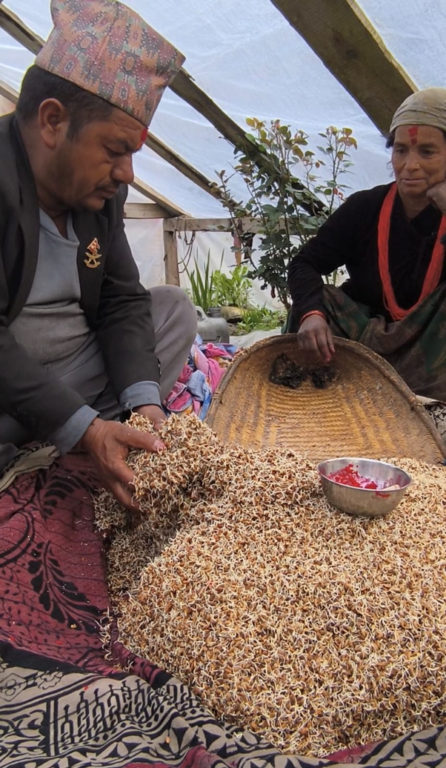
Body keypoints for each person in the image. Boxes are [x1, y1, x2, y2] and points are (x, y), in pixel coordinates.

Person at [0, 0, 197, 507]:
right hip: (7, 379)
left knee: (172, 308)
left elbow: (122, 298)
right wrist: (85, 428)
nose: (127, 173)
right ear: (52, 121)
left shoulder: (102, 196)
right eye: (115, 151)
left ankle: (76, 425)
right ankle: (64, 429)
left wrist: (144, 403)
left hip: (71, 372)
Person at [288, 87, 446, 403]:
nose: (410, 165)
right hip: (366, 344)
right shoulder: (365, 208)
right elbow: (304, 263)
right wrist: (311, 314)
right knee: (316, 302)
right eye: (401, 150)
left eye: (427, 152)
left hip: (434, 354)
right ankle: (311, 403)